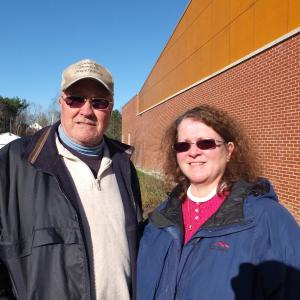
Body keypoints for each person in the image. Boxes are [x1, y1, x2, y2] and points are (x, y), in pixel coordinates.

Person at [0, 59, 143, 299]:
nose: (86, 111)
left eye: (99, 102)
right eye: (75, 99)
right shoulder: (13, 163)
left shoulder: (124, 166)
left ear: (111, 107)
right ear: (61, 102)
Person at [137, 105, 300, 300]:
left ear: (229, 151)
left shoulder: (268, 219)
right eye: (183, 145)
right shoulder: (158, 219)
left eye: (205, 143)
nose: (193, 152)